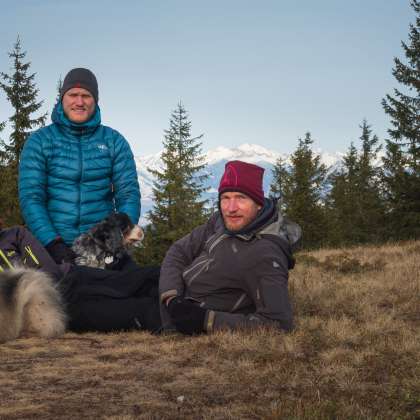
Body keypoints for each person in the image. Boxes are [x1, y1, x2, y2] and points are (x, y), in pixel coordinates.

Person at [159, 160, 301, 335]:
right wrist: (172, 296)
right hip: (171, 291)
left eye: (241, 198)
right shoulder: (221, 219)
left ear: (258, 203)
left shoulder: (264, 255)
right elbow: (179, 250)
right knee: (119, 280)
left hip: (179, 314)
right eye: (225, 198)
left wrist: (206, 320)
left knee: (116, 307)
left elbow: (279, 325)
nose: (231, 208)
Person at [18, 68, 140, 269]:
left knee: (140, 291)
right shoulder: (39, 142)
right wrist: (53, 244)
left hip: (105, 248)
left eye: (86, 95)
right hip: (55, 248)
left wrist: (117, 239)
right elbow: (32, 198)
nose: (79, 101)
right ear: (62, 99)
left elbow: (128, 194)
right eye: (73, 95)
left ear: (95, 100)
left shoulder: (114, 141)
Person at [0, 220, 162, 334]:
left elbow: (47, 267)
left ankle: (168, 280)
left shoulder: (15, 234)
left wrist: (46, 295)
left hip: (67, 279)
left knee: (124, 283)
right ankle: (165, 311)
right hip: (48, 312)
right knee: (117, 311)